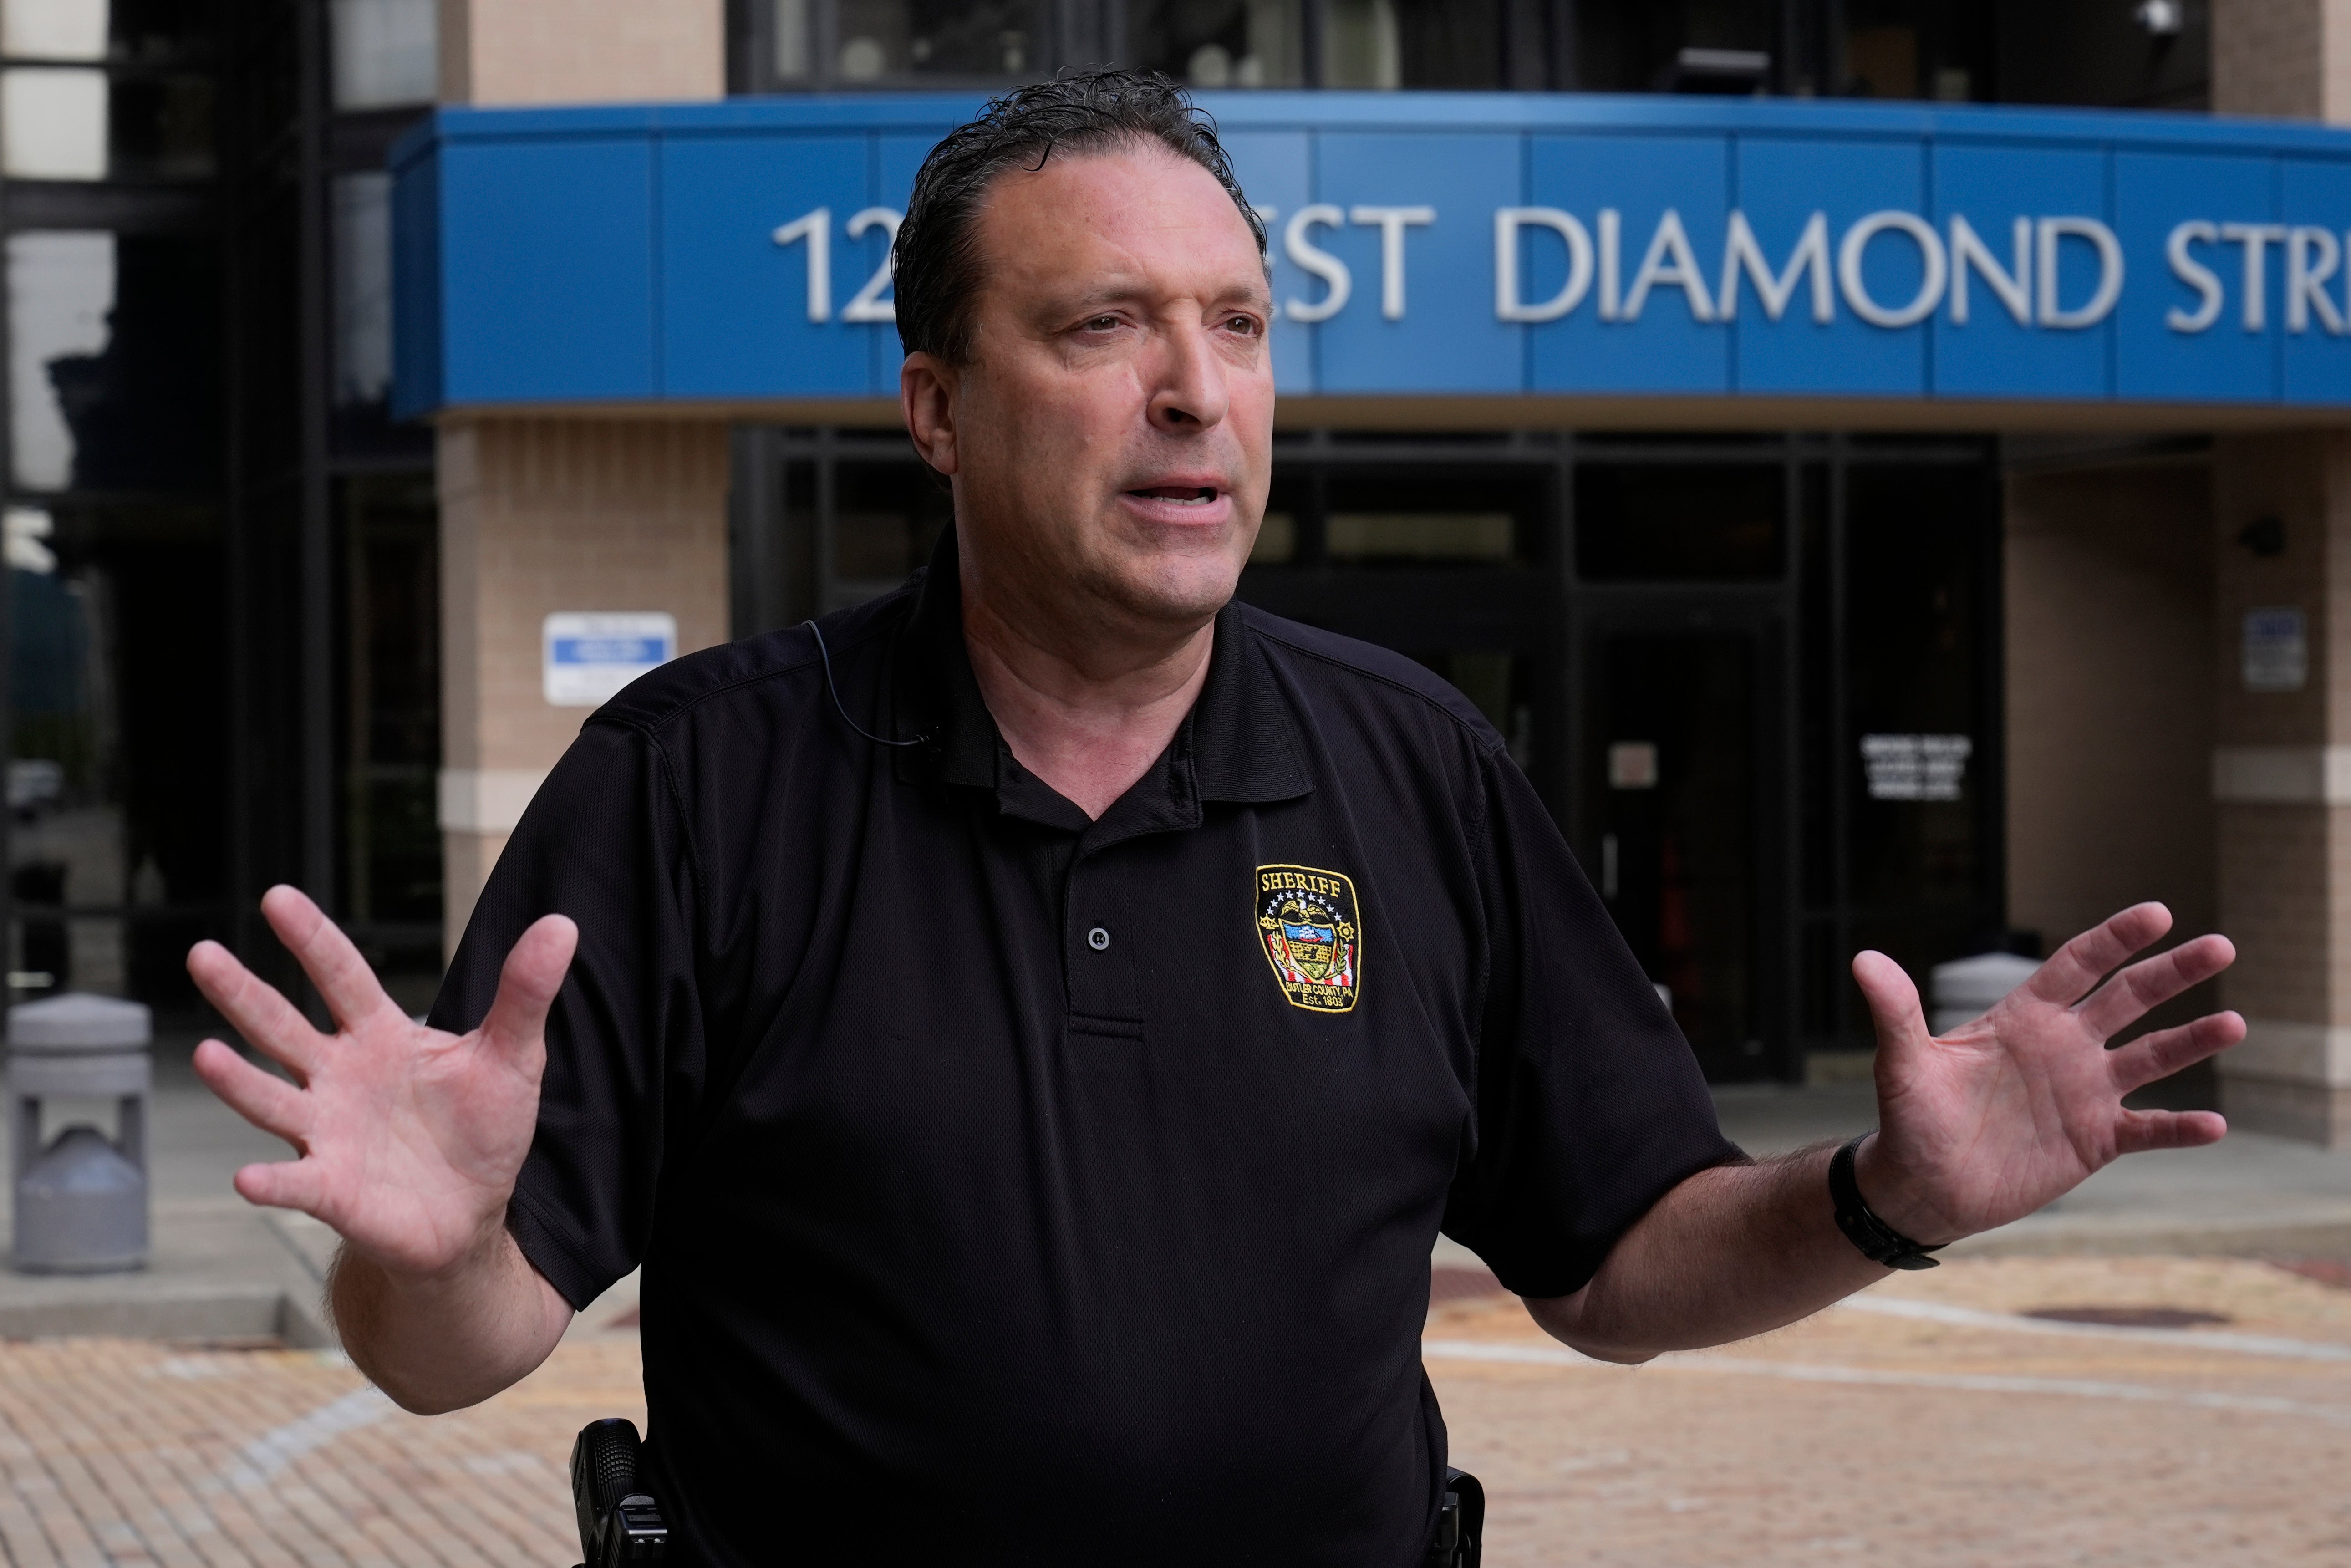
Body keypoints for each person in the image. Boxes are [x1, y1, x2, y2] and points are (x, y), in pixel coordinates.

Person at [187, 71, 2244, 1567]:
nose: (1197, 391)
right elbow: (456, 1355)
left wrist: (1890, 1200)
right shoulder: (698, 783)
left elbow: (1620, 1267)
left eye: (1238, 324)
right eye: (1103, 328)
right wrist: (426, 1251)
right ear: (932, 405)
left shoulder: (1414, 770)